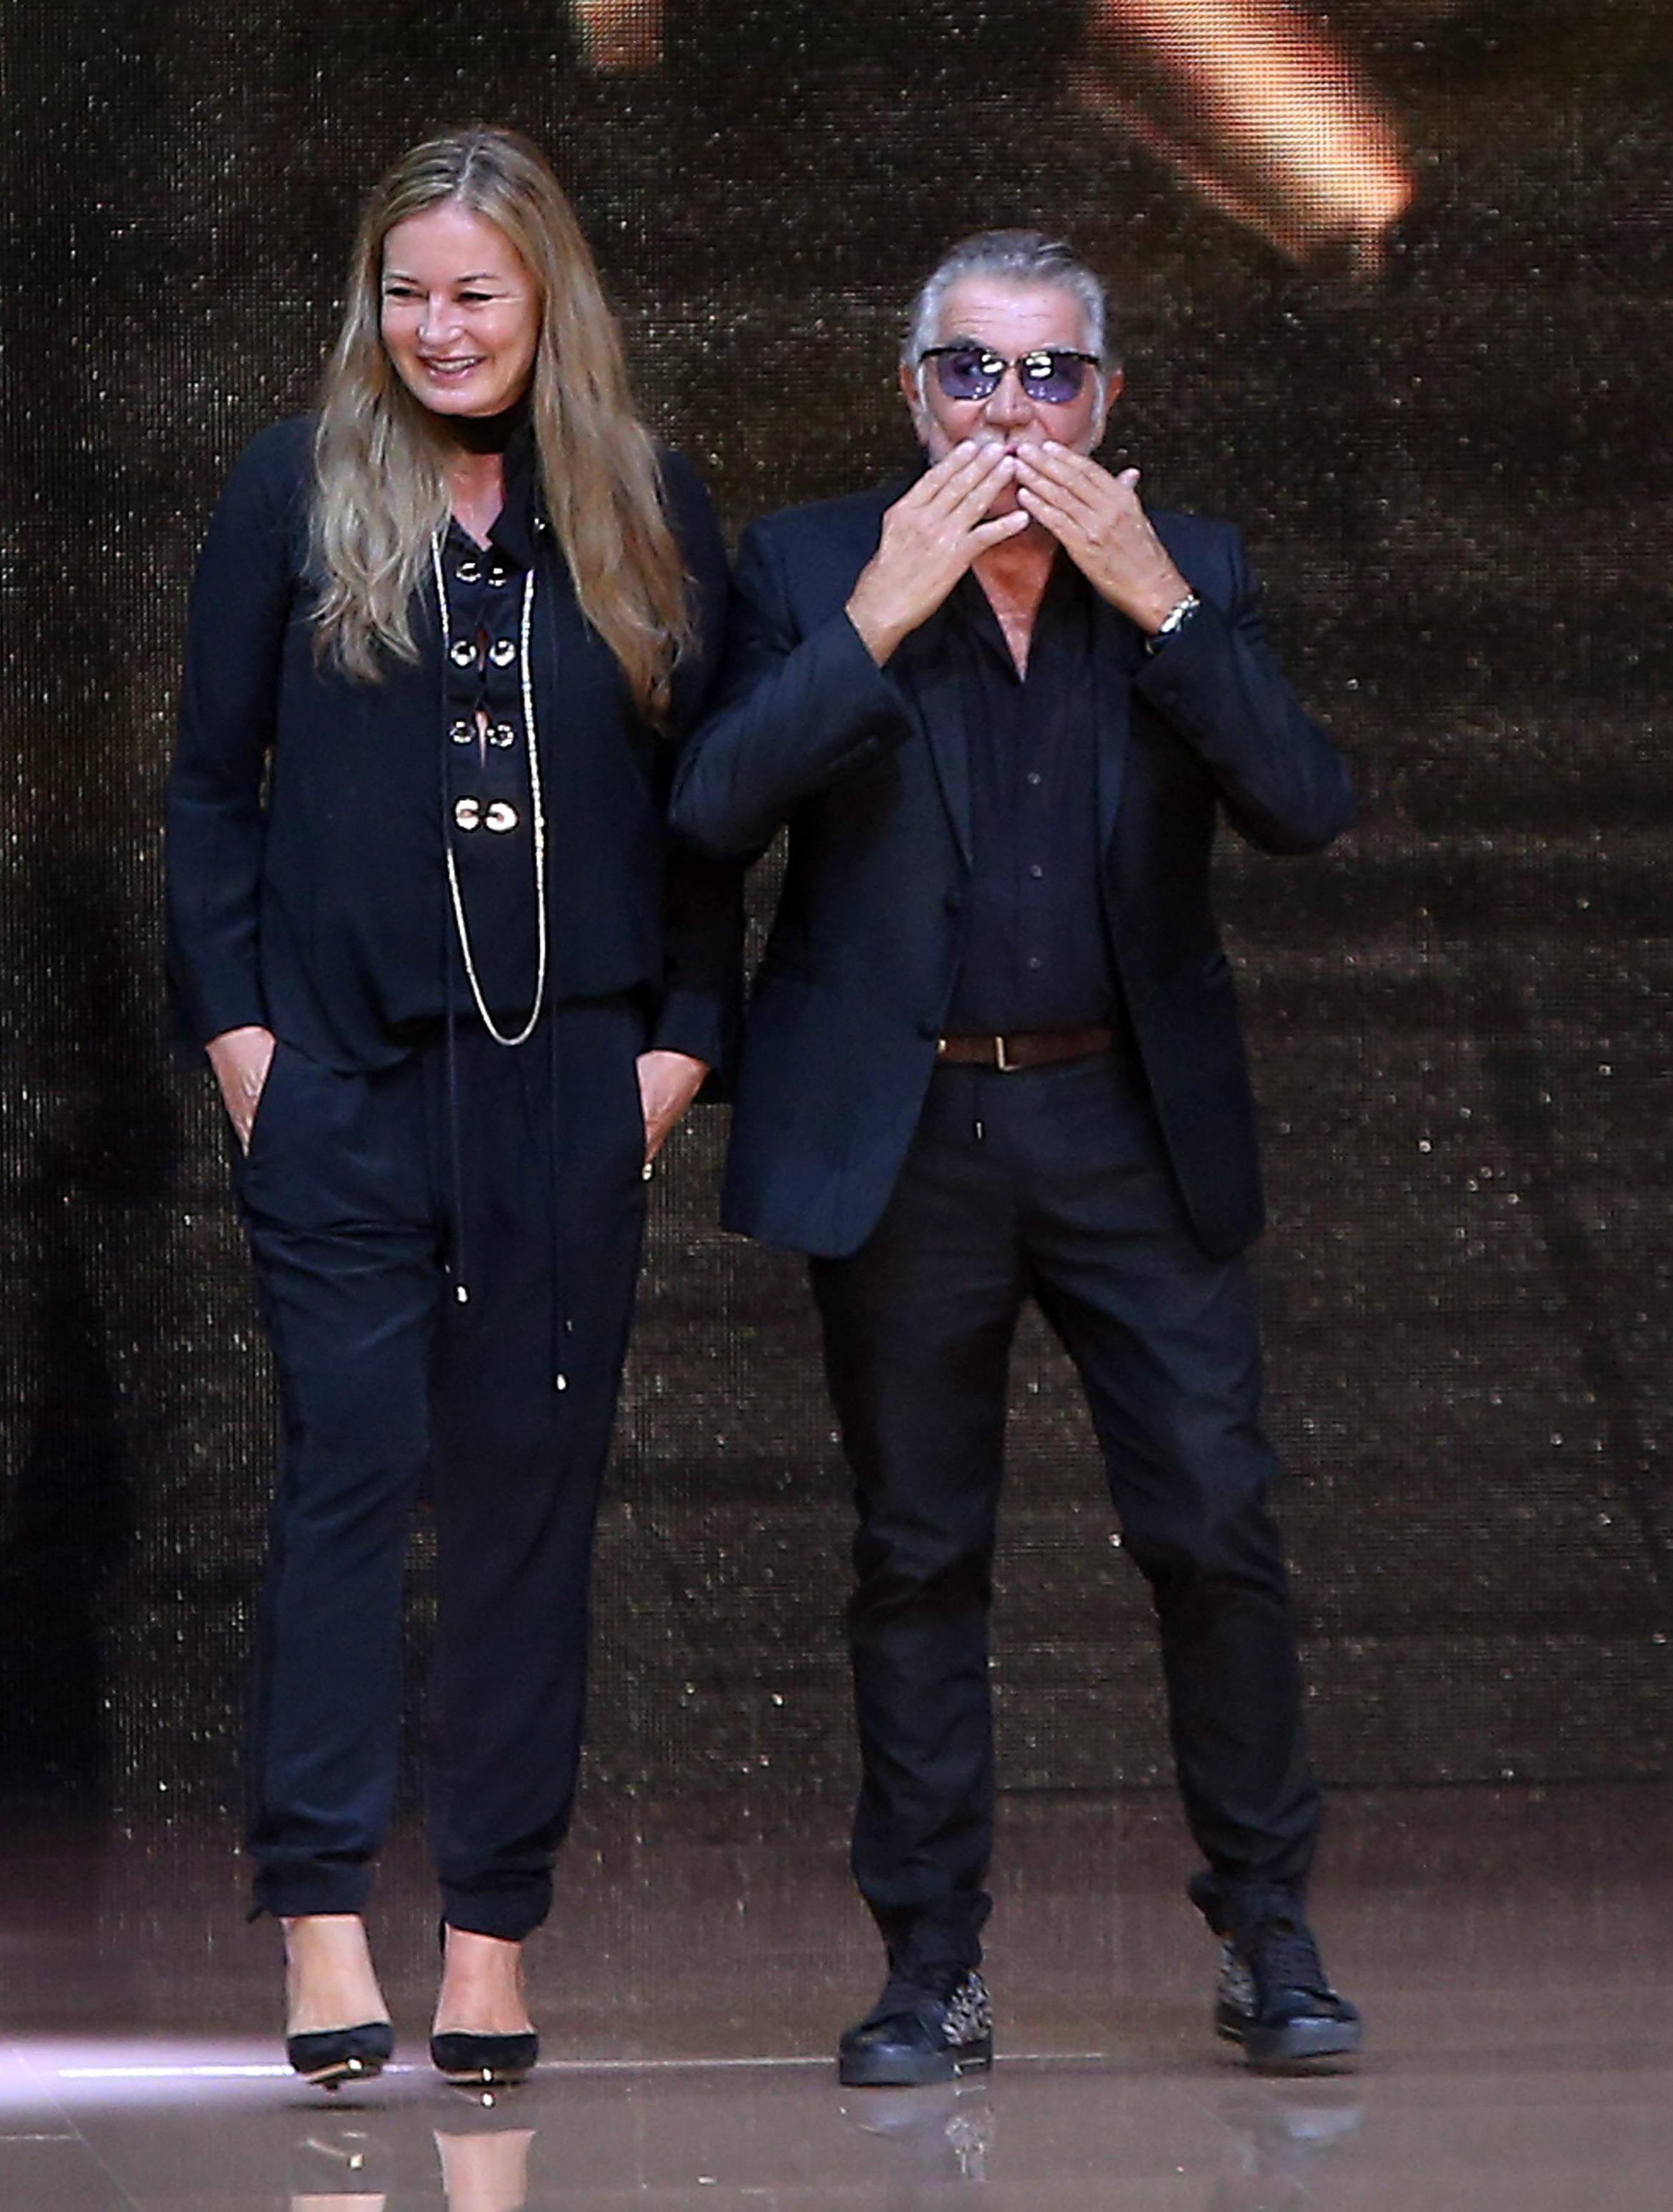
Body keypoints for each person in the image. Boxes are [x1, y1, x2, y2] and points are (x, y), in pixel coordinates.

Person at [670, 230, 1360, 2085]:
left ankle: (1269, 1934)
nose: (1010, 410)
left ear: (1106, 400)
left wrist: (1162, 607)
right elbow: (714, 805)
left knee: (1213, 1522)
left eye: (1049, 376)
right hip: (914, 1131)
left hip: (1127, 1116)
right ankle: (929, 1969)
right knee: (918, 1555)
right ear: (912, 393)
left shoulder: (1184, 568)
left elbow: (1303, 804)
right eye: (970, 373)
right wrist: (879, 612)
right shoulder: (814, 562)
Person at [165, 126, 738, 2090]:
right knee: (348, 1480)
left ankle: (490, 1943)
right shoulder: (295, 487)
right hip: (341, 1093)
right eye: (407, 291)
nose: (438, 326)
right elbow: (208, 787)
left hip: (568, 1097)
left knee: (528, 1518)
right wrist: (244, 1044)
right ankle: (320, 1919)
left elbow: (713, 811)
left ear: (546, 298)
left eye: (475, 292)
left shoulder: (648, 504)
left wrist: (676, 1052)